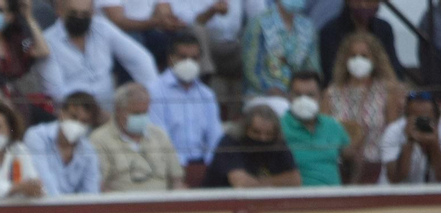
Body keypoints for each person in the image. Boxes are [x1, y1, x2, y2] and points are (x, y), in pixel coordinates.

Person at [44, 0, 157, 112]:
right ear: (59, 11)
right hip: (74, 114)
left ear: (92, 11)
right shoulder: (48, 42)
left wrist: (152, 96)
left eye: (85, 14)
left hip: (110, 111)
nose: (79, 18)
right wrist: (92, 114)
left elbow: (141, 59)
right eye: (73, 14)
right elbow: (56, 92)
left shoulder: (101, 27)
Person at [323, 31, 400, 184]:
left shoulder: (387, 93)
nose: (358, 60)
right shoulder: (330, 94)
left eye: (364, 56)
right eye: (353, 56)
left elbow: (394, 134)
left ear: (375, 60)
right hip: (338, 169)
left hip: (376, 168)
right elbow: (323, 135)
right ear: (345, 60)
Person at [91, 82, 183, 191]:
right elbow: (100, 186)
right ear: (118, 110)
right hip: (123, 205)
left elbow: (177, 180)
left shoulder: (160, 135)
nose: (141, 117)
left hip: (162, 204)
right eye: (136, 113)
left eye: (145, 112)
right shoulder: (99, 139)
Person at [148, 33, 220, 166]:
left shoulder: (207, 95)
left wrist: (209, 166)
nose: (189, 62)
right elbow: (158, 137)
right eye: (183, 57)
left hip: (203, 165)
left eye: (194, 58)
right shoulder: (155, 91)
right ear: (170, 59)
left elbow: (214, 137)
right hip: (168, 166)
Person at [22, 90, 101, 195]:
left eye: (84, 121)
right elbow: (44, 182)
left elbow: (91, 192)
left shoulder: (88, 150)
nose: (77, 124)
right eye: (73, 117)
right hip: (43, 207)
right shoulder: (37, 136)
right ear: (61, 113)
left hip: (73, 209)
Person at [379, 90, 441, 185]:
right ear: (406, 117)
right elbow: (394, 178)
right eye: (415, 117)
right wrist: (409, 141)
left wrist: (434, 145)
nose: (421, 122)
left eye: (426, 118)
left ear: (438, 117)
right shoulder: (393, 131)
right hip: (396, 195)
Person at [204, 103, 297, 187]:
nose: (262, 138)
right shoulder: (230, 142)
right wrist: (274, 182)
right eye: (256, 132)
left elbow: (295, 179)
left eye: (268, 134)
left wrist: (260, 182)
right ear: (245, 129)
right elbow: (241, 183)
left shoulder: (277, 143)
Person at [240, 0, 318, 101]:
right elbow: (251, 71)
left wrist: (300, 92)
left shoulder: (307, 26)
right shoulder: (259, 24)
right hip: (261, 96)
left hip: (300, 95)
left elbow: (313, 69)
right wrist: (271, 90)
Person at [280, 69, 347, 186]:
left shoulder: (332, 126)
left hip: (333, 198)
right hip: (296, 199)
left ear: (321, 96)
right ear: (289, 96)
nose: (304, 100)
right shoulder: (278, 128)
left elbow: (351, 158)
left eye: (310, 95)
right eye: (298, 94)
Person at [316, 0, 398, 86]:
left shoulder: (384, 29)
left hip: (380, 88)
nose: (363, 5)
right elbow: (329, 72)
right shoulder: (330, 31)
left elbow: (394, 66)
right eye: (358, 1)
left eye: (369, 1)